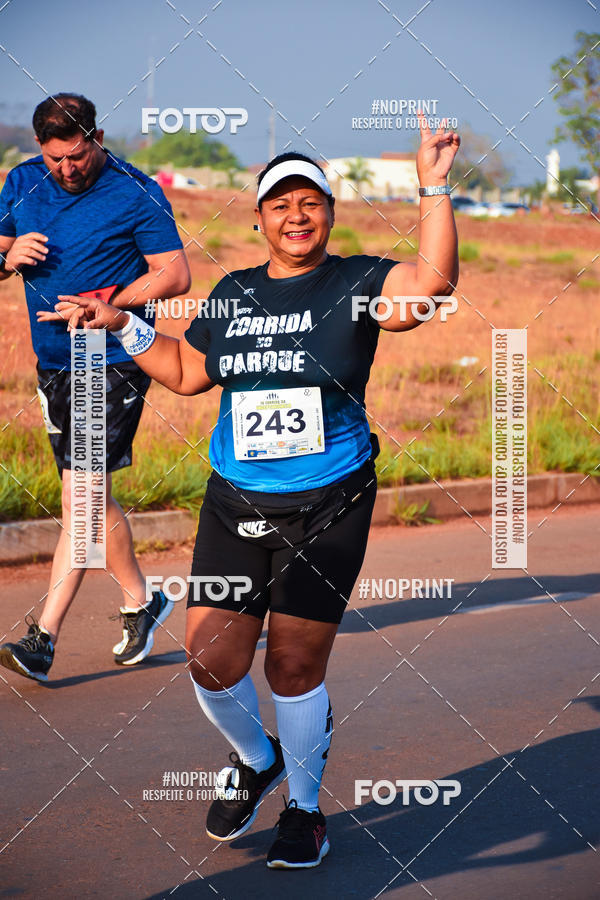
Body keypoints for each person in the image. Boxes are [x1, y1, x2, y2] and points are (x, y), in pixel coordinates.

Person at [61, 116, 460, 868]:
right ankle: (256, 757)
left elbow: (431, 286)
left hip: (330, 502)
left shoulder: (358, 281)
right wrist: (120, 324)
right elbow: (186, 373)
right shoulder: (234, 292)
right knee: (210, 661)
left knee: (293, 668)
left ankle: (304, 811)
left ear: (330, 214)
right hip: (236, 500)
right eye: (281, 204)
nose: (297, 215)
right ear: (260, 218)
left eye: (311, 202)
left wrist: (433, 184)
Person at [0, 93, 191, 682]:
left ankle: (42, 636)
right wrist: (6, 255)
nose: (68, 169)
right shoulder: (22, 183)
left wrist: (105, 303)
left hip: (110, 356)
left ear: (98, 138)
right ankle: (143, 597)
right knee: (88, 496)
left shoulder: (136, 191)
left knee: (79, 501)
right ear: (40, 148)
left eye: (78, 155)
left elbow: (175, 274)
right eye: (56, 158)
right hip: (54, 357)